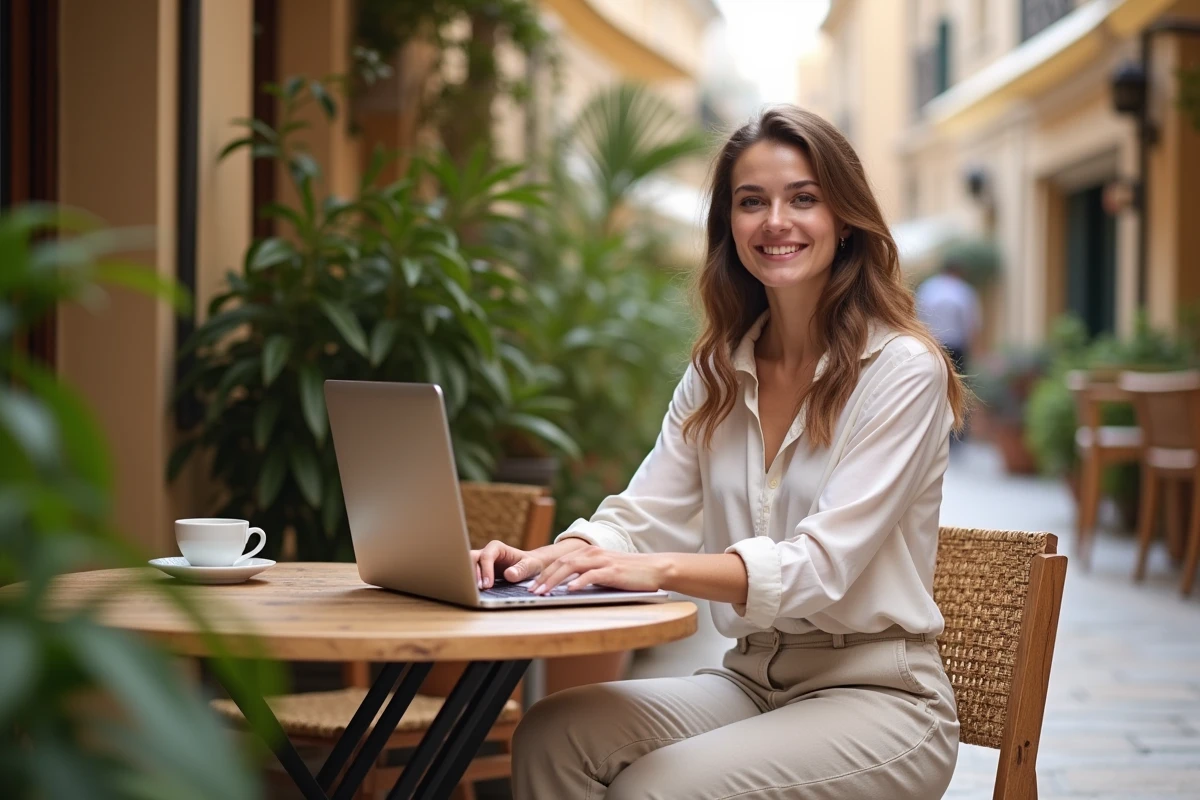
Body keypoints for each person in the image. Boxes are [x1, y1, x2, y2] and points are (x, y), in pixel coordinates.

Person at [473, 105, 970, 799]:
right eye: (751, 201)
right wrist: (545, 563)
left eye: (803, 198)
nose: (775, 221)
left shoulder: (901, 370)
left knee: (656, 789)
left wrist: (657, 569)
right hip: (751, 678)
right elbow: (642, 515)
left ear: (845, 219)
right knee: (554, 734)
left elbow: (821, 566)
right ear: (729, 225)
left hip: (881, 698)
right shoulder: (717, 373)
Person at [915, 255, 982, 377]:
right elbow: (971, 323)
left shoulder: (928, 287)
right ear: (959, 272)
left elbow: (919, 316)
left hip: (932, 343)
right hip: (956, 346)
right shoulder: (964, 290)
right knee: (957, 380)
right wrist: (973, 350)